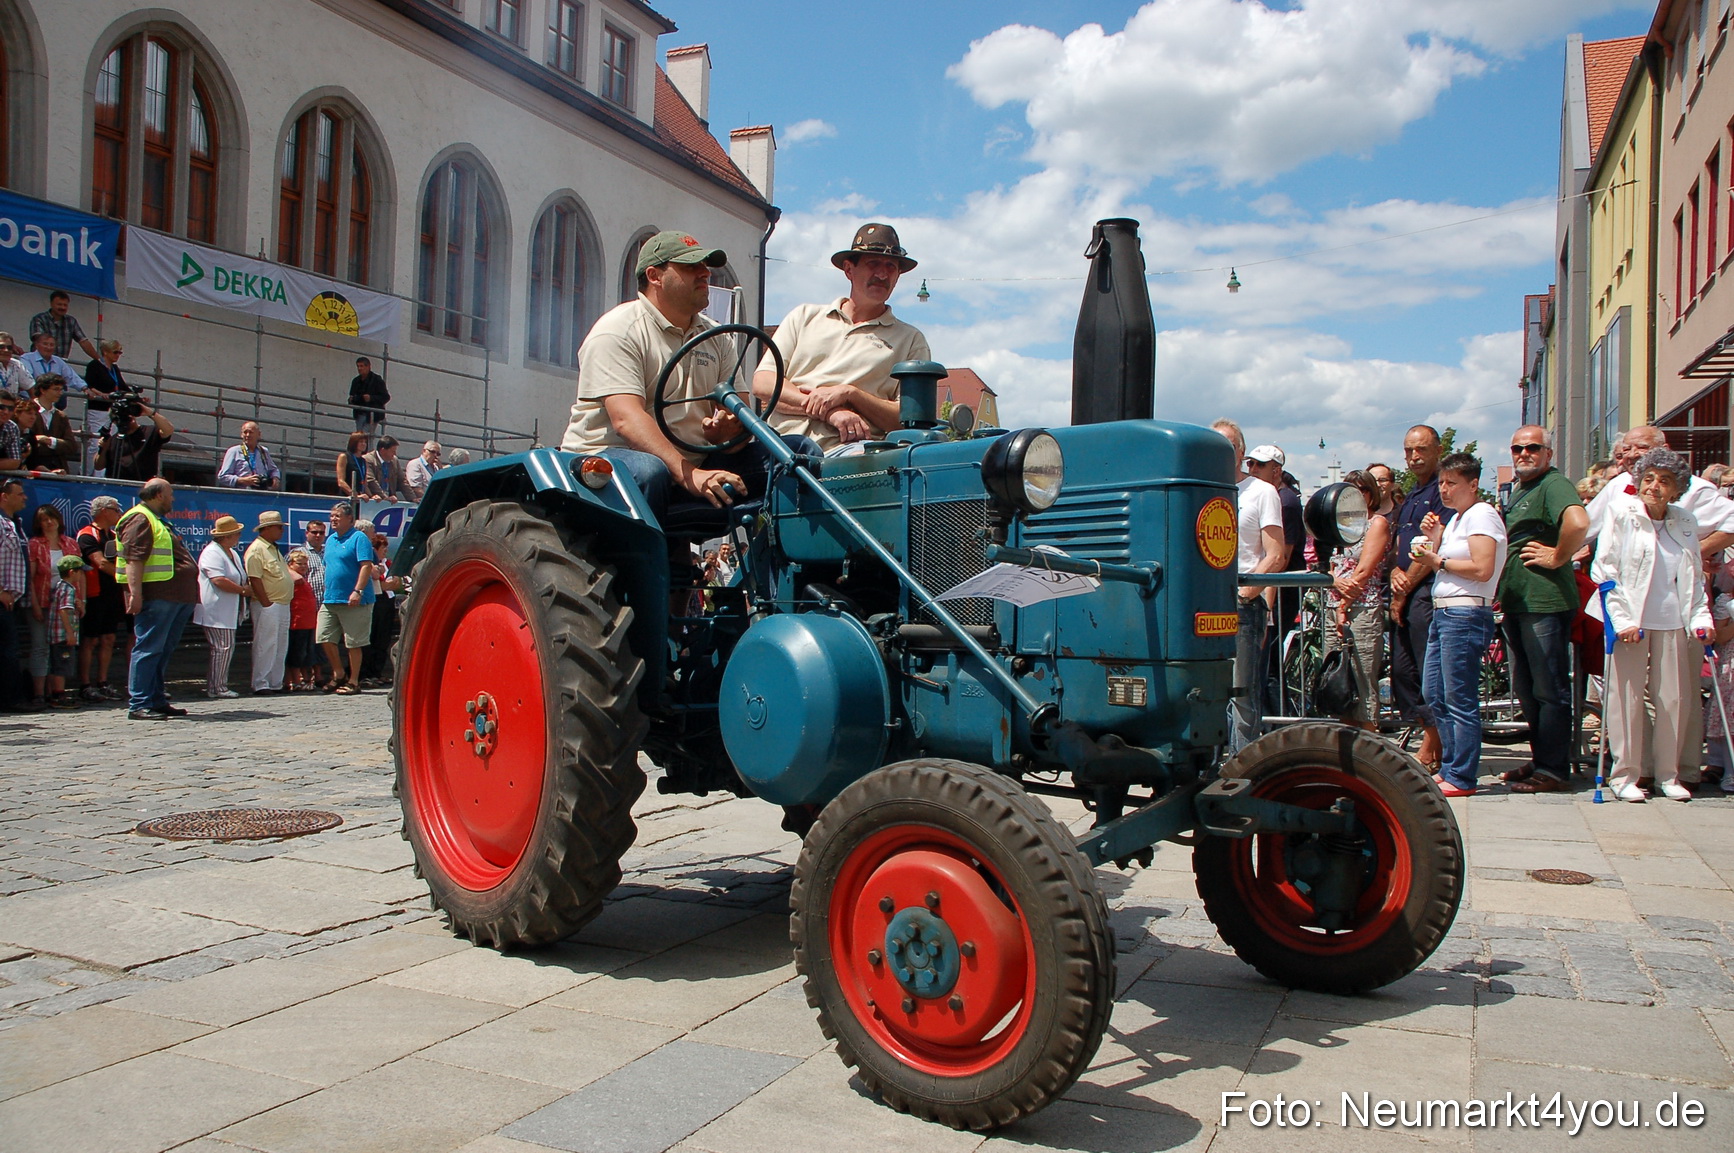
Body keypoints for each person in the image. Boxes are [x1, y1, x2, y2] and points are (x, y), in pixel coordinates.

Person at [561, 230, 819, 522]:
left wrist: (729, 434)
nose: (704, 273)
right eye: (690, 266)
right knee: (650, 471)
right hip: (609, 460)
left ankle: (778, 562)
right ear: (655, 275)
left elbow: (741, 414)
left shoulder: (717, 337)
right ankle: (656, 564)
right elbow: (626, 419)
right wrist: (690, 475)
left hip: (695, 465)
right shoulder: (619, 330)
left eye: (705, 266)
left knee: (796, 453)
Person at [1591, 447, 1714, 802]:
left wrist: (1700, 617)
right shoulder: (1622, 514)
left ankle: (1668, 775)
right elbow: (1606, 570)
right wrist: (1623, 619)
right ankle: (1625, 775)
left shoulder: (1685, 520)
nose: (1655, 487)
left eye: (1664, 481)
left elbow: (1693, 574)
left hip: (1673, 619)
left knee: (1673, 699)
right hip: (1632, 620)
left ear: (1677, 488)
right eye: (1648, 479)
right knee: (1626, 698)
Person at [750, 223, 931, 452]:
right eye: (873, 263)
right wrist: (832, 412)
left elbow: (908, 418)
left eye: (891, 267)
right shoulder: (804, 317)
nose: (882, 274)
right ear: (848, 269)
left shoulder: (911, 340)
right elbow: (763, 382)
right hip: (782, 449)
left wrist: (851, 394)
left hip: (853, 454)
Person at [1497, 426, 1591, 793]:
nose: (1523, 454)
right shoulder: (1524, 489)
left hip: (1544, 603)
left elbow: (1578, 521)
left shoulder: (1554, 484)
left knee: (1549, 689)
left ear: (1548, 453)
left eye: (1532, 447)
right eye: (1517, 448)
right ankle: (1541, 759)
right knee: (1527, 688)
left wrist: (1558, 556)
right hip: (1518, 601)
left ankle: (1553, 769)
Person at [1410, 452, 1509, 797]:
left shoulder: (1482, 515)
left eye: (1452, 483)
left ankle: (1462, 774)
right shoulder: (1457, 519)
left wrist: (1438, 560)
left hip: (1465, 613)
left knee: (1458, 696)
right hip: (1446, 611)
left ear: (1473, 484)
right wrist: (1435, 537)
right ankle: (1452, 765)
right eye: (1442, 483)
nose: (1445, 490)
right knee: (1435, 692)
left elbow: (1482, 567)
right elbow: (1445, 560)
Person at [1211, 421, 1287, 751]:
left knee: (1241, 693)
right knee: (1209, 692)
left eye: (1228, 445)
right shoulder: (1203, 489)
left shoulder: (1261, 491)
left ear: (1241, 453)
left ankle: (1242, 766)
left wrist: (1249, 592)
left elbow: (1276, 553)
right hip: (1206, 602)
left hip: (1242, 604)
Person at [1389, 425, 1448, 775]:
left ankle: (1434, 743)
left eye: (1421, 450)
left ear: (1438, 450)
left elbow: (1431, 547)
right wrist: (1394, 576)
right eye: (1408, 450)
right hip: (1404, 591)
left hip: (1425, 591)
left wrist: (1405, 586)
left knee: (1428, 672)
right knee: (1402, 671)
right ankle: (1426, 731)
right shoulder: (1411, 494)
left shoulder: (1441, 491)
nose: (1414, 457)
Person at [119, 478, 199, 719]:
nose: (173, 498)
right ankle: (140, 702)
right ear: (158, 495)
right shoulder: (140, 518)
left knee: (162, 649)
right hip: (158, 596)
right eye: (170, 494)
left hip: (174, 596)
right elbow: (134, 558)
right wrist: (135, 594)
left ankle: (155, 698)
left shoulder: (159, 520)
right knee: (148, 648)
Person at [1323, 470, 1391, 731]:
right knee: (1339, 683)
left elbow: (1363, 572)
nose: (1355, 496)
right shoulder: (1338, 524)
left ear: (1370, 493)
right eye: (1349, 490)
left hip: (1361, 608)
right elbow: (1328, 566)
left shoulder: (1377, 523)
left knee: (1362, 680)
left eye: (1361, 490)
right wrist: (1333, 582)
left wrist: (1344, 606)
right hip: (1333, 605)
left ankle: (1369, 748)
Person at [26, 504, 80, 708]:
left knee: (62, 647)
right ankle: (39, 694)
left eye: (52, 518)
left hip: (65, 603)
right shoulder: (35, 544)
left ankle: (58, 692)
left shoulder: (71, 544)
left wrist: (80, 601)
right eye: (44, 520)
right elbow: (30, 578)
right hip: (42, 600)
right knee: (40, 647)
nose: (49, 522)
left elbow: (78, 576)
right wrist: (35, 605)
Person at [318, 502, 374, 695]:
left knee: (353, 642)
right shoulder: (331, 539)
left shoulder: (359, 538)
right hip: (331, 598)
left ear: (350, 519)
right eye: (331, 515)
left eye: (338, 516)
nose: (333, 519)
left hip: (354, 599)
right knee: (323, 636)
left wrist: (357, 591)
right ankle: (338, 673)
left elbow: (366, 565)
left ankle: (354, 681)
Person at [76, 495, 126, 702]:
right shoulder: (87, 534)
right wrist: (125, 577)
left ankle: (103, 682)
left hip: (113, 593)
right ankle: (85, 684)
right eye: (116, 509)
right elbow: (101, 563)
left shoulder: (114, 535)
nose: (119, 514)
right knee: (90, 640)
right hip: (94, 593)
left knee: (109, 638)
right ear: (104, 511)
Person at [195, 516, 251, 699]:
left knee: (225, 647)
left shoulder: (232, 552)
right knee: (222, 648)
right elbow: (218, 580)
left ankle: (218, 684)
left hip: (229, 609)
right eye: (237, 534)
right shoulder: (212, 552)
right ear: (227, 536)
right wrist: (243, 591)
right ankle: (217, 687)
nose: (239, 537)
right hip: (216, 610)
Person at [245, 511, 294, 695]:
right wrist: (266, 603)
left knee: (281, 644)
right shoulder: (257, 549)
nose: (281, 530)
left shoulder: (273, 548)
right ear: (267, 529)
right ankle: (261, 683)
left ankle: (275, 682)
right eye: (279, 527)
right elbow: (255, 578)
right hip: (269, 603)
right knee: (266, 644)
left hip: (282, 603)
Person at [0, 478, 33, 712]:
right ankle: (10, 699)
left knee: (9, 651)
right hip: (2, 598)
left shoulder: (16, 523)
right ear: (4, 496)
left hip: (13, 601)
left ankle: (11, 697)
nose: (25, 498)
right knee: (7, 651)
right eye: (20, 494)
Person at [94, 395, 174, 482]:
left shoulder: (149, 432)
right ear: (114, 421)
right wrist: (103, 448)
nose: (130, 418)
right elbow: (98, 466)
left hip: (141, 487)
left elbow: (168, 430)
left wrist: (150, 413)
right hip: (116, 487)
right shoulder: (112, 439)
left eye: (130, 415)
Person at [44, 555, 86, 709]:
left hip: (55, 634)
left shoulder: (59, 586)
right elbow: (64, 611)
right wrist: (70, 633)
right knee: (62, 665)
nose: (82, 575)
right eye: (80, 571)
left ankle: (51, 693)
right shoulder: (68, 589)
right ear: (72, 572)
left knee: (55, 663)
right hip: (62, 634)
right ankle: (58, 695)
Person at [23, 374, 78, 473]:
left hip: (59, 470)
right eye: (56, 389)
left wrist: (50, 441)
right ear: (43, 390)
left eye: (61, 389)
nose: (60, 393)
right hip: (32, 470)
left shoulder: (61, 416)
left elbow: (72, 446)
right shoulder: (26, 411)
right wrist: (36, 440)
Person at [29, 290, 100, 364]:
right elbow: (40, 340)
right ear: (51, 304)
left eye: (65, 305)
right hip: (39, 363)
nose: (62, 307)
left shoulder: (71, 321)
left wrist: (99, 360)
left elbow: (84, 342)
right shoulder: (39, 319)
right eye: (59, 304)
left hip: (59, 364)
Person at [21, 330, 85, 409]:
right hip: (31, 402)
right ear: (37, 345)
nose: (48, 347)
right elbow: (27, 379)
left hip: (51, 403)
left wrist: (84, 388)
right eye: (45, 344)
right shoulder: (27, 358)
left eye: (52, 345)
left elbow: (71, 376)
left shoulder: (58, 361)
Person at [285, 549, 318, 691]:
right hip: (297, 623)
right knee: (295, 654)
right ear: (291, 564)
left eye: (305, 564)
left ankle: (304, 679)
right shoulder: (291, 579)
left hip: (309, 622)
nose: (303, 566)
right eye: (299, 564)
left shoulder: (303, 579)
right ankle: (294, 681)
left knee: (305, 654)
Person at [217, 422, 281, 489]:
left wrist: (275, 478)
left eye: (251, 432)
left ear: (259, 435)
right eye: (245, 432)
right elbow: (222, 477)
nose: (247, 435)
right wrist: (243, 480)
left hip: (261, 494)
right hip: (241, 494)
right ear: (241, 435)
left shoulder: (263, 451)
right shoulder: (234, 451)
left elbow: (274, 469)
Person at [349, 356, 390, 440]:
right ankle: (362, 452)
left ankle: (365, 452)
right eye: (358, 366)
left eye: (362, 366)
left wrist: (371, 398)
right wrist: (352, 400)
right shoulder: (356, 381)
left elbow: (385, 397)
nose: (359, 368)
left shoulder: (377, 380)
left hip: (372, 415)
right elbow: (352, 396)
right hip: (359, 413)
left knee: (364, 437)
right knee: (359, 437)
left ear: (368, 366)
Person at [336, 430, 378, 499]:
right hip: (347, 498)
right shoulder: (344, 457)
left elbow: (364, 484)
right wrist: (354, 495)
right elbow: (341, 482)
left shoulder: (363, 461)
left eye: (365, 442)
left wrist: (372, 496)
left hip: (360, 499)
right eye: (361, 442)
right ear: (354, 443)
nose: (364, 444)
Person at [363, 436, 406, 502]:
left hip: (390, 499)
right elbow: (371, 480)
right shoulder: (368, 459)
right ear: (383, 450)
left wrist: (413, 498)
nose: (395, 454)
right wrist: (385, 497)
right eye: (393, 451)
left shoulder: (394, 460)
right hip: (374, 500)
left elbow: (402, 481)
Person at [0, 389, 24, 471]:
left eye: (10, 409)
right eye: (1, 407)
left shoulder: (12, 427)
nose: (6, 412)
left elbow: (15, 462)